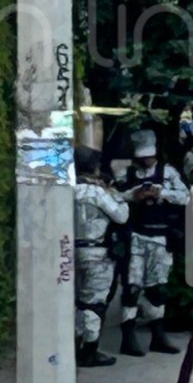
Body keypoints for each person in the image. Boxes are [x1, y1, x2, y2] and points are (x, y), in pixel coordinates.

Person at [116, 129, 188, 357]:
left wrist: (162, 193)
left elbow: (185, 196)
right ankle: (128, 336)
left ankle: (158, 335)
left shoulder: (168, 173)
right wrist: (134, 194)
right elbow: (114, 197)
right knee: (132, 287)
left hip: (160, 238)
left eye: (149, 156)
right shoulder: (126, 174)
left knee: (157, 287)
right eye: (142, 157)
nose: (146, 161)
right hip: (135, 237)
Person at [73, 147, 128, 367]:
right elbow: (121, 216)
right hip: (97, 251)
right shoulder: (98, 193)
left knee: (77, 301)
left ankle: (75, 344)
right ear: (95, 167)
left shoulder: (67, 190)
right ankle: (90, 350)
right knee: (94, 303)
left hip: (70, 251)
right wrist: (116, 194)